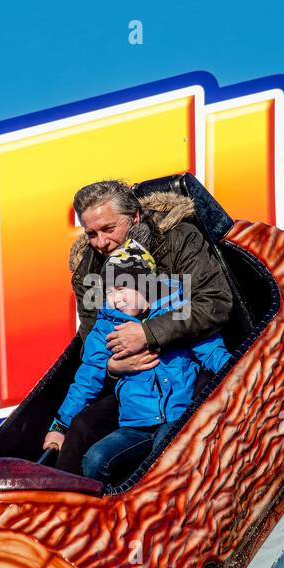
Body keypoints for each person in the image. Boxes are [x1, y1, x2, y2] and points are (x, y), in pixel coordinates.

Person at [47, 179, 235, 475]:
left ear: (134, 216)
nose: (101, 243)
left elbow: (214, 303)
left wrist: (148, 334)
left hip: (188, 362)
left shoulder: (177, 240)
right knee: (83, 429)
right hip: (133, 385)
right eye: (91, 234)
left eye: (109, 229)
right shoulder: (90, 270)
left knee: (180, 427)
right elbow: (92, 341)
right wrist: (113, 365)